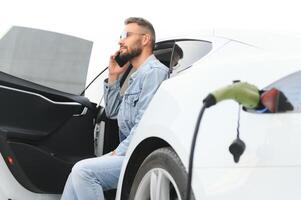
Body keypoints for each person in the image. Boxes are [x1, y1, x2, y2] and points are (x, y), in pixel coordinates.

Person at [61, 17, 169, 200]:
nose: (120, 41)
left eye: (126, 35)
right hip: (128, 153)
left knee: (84, 172)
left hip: (141, 155)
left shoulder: (154, 73)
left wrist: (117, 152)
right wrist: (113, 76)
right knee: (76, 173)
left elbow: (144, 125)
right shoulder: (137, 77)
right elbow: (112, 113)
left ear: (145, 39)